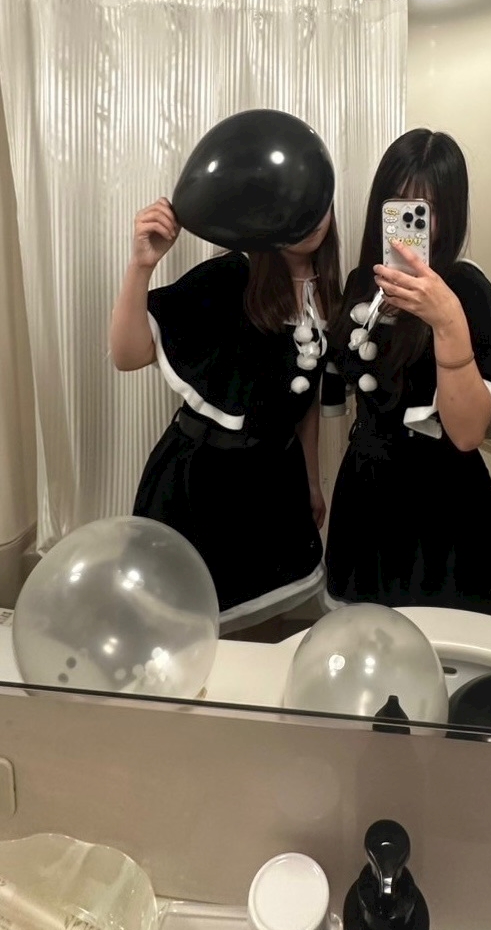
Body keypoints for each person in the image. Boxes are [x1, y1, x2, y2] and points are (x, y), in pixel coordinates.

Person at [110, 197, 342, 630]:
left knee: (256, 634)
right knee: (181, 629)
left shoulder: (328, 293)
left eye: (317, 202)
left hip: (271, 487)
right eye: (292, 202)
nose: (308, 218)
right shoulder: (231, 274)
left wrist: (313, 481)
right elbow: (128, 355)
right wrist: (141, 266)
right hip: (199, 484)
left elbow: (305, 401)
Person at [322, 129, 491, 616]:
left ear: (449, 214)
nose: (411, 224)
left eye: (425, 210)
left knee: (441, 646)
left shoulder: (466, 289)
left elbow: (467, 433)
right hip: (365, 491)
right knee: (364, 639)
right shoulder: (362, 283)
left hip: (441, 506)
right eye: (400, 205)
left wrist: (447, 320)